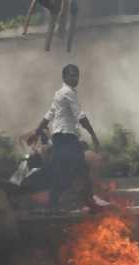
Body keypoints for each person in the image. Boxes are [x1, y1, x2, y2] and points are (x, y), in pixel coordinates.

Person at [30, 64, 100, 213]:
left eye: (77, 75)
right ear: (64, 77)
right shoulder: (68, 92)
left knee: (64, 170)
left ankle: (57, 203)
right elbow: (80, 115)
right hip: (66, 138)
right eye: (72, 75)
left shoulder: (60, 94)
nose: (75, 78)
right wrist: (93, 135)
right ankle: (82, 200)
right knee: (76, 168)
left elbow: (50, 114)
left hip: (63, 138)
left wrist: (37, 131)